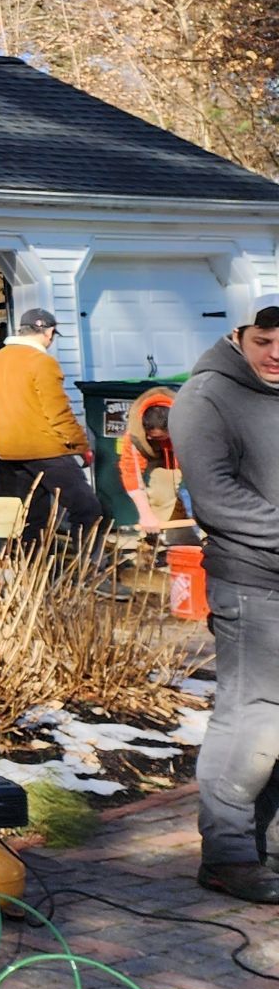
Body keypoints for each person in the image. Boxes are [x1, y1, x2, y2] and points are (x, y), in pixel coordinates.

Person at [170, 303, 279, 903]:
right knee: (255, 716)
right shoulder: (207, 397)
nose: (275, 353)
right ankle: (229, 855)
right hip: (252, 581)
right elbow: (217, 499)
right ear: (238, 335)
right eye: (263, 340)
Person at [0, 308, 105, 537]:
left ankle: (32, 566)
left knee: (32, 517)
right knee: (87, 508)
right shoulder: (43, 362)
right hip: (44, 450)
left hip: (9, 451)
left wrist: (10, 413)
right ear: (49, 332)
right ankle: (88, 566)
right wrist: (81, 446)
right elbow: (58, 412)